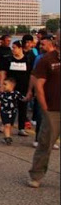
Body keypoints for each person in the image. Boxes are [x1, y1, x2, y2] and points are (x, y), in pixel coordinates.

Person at [27, 31, 60, 188]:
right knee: (46, 143)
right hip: (53, 109)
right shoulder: (47, 60)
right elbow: (38, 85)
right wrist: (44, 108)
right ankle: (36, 174)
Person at [6, 40, 32, 137]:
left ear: (20, 48)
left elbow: (31, 75)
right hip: (11, 89)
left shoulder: (27, 60)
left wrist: (30, 89)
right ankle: (8, 126)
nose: (13, 49)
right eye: (12, 47)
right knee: (10, 108)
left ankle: (21, 128)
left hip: (23, 88)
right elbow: (5, 73)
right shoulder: (9, 59)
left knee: (22, 108)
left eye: (15, 47)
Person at [0, 77, 26, 145]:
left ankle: (7, 136)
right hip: (4, 112)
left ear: (12, 85)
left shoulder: (15, 93)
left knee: (10, 125)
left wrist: (28, 97)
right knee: (7, 125)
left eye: (5, 84)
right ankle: (7, 137)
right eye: (3, 84)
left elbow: (22, 98)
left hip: (13, 112)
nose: (3, 86)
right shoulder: (3, 94)